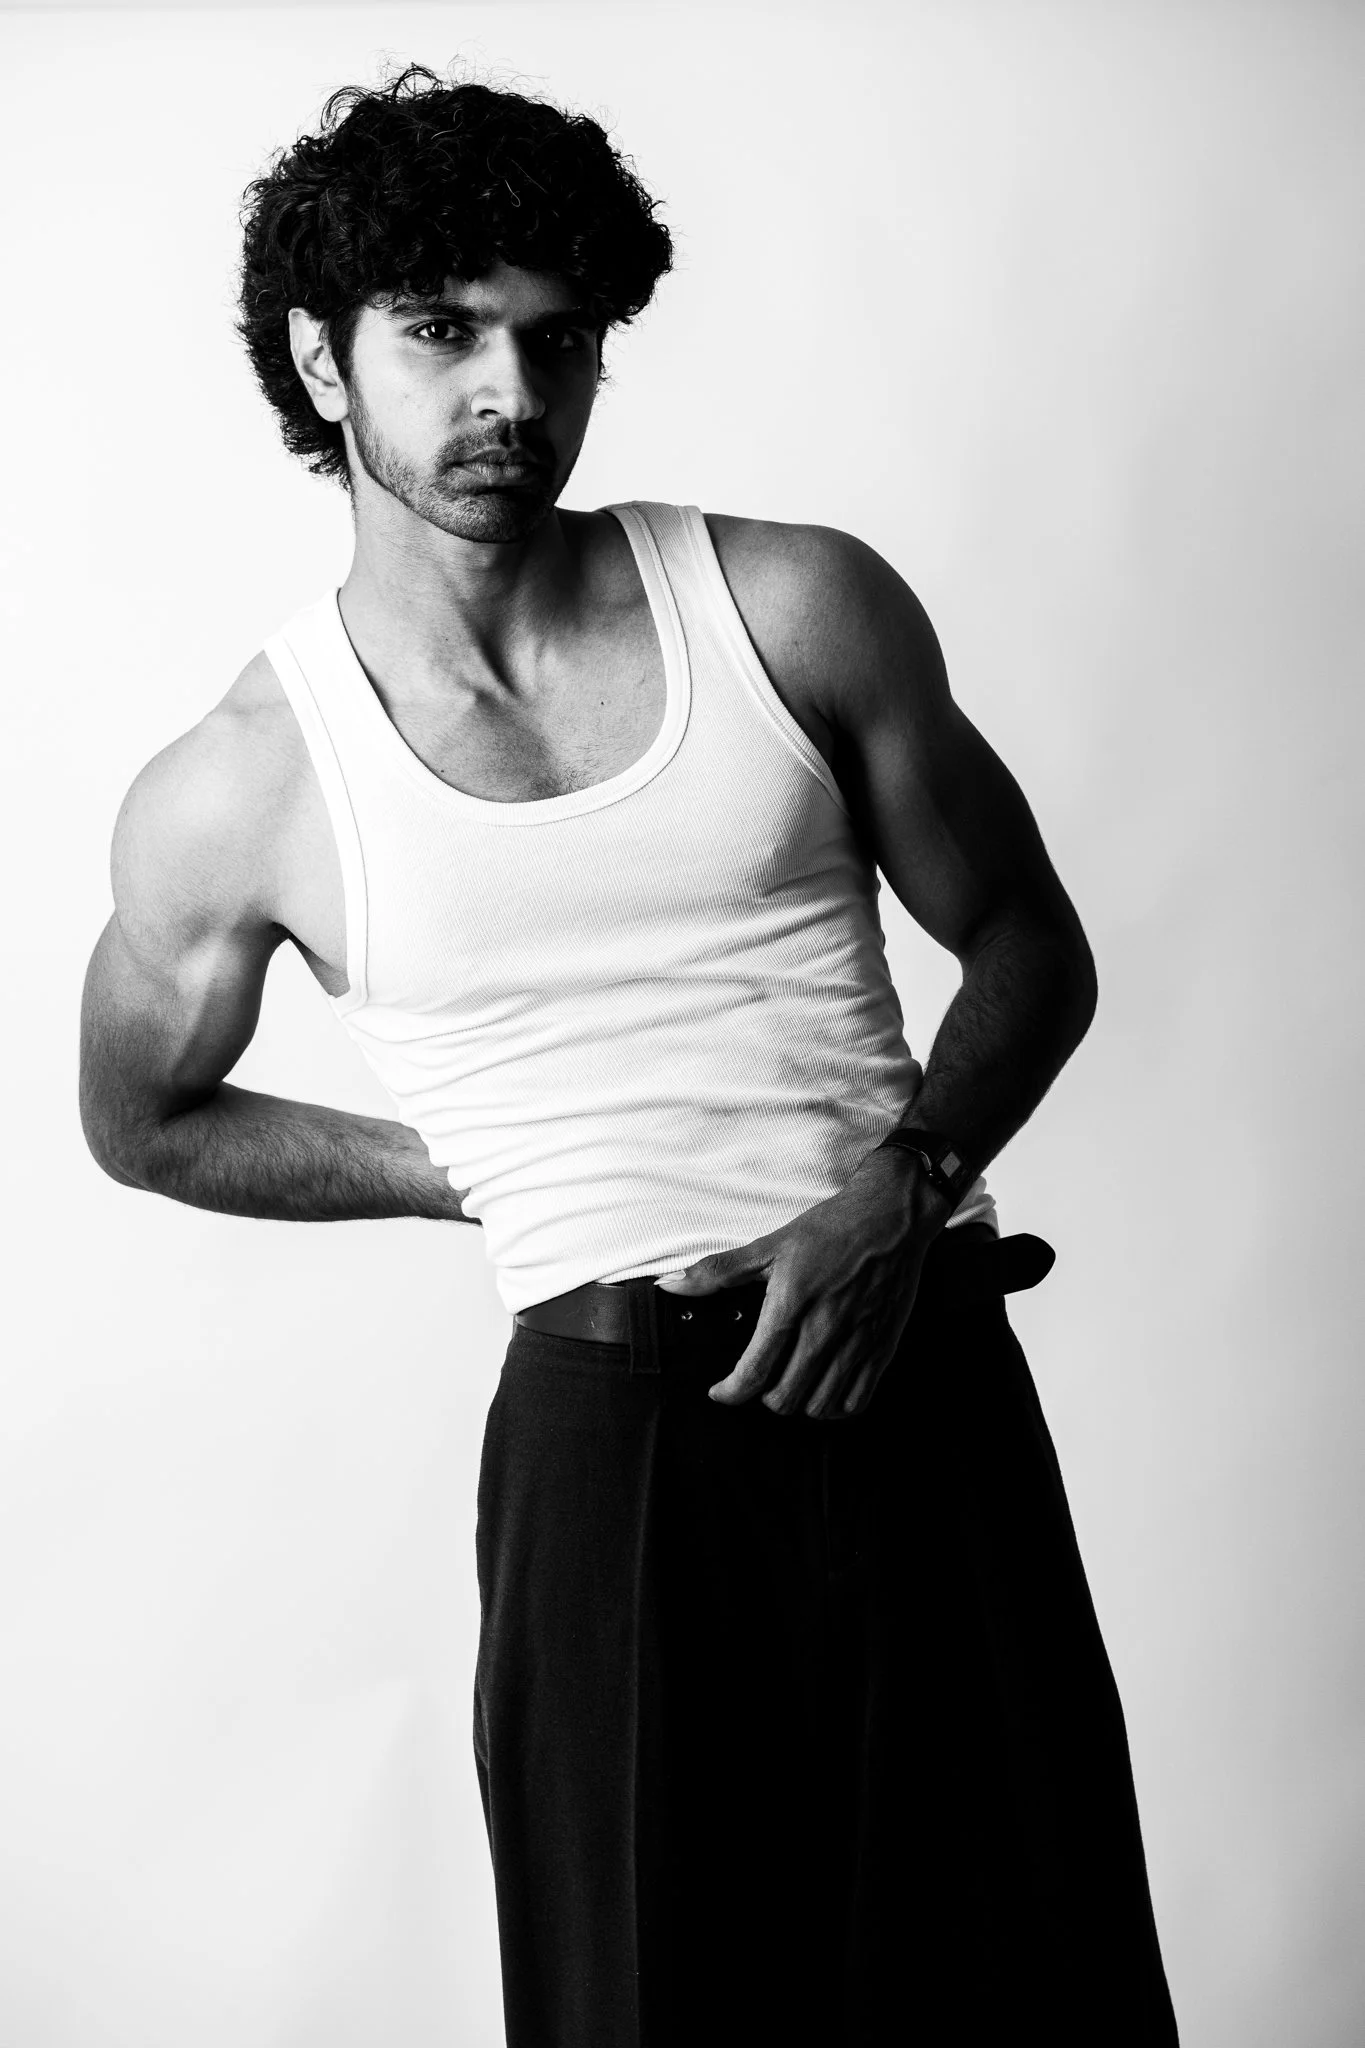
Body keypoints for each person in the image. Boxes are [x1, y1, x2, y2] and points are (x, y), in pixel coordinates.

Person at [78, 63, 1179, 2048]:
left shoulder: (787, 604)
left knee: (1039, 1976)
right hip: (613, 1446)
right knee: (652, 1998)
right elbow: (140, 1117)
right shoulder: (241, 789)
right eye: (440, 333)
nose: (510, 393)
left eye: (554, 337)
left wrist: (905, 1181)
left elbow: (1027, 943)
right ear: (321, 363)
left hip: (916, 1374)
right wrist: (473, 1170)